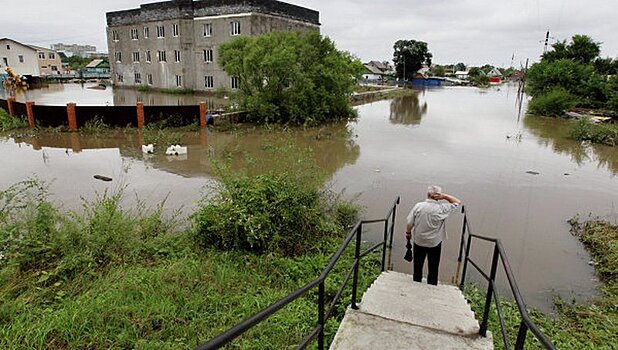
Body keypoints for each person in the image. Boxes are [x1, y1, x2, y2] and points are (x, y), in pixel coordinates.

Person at [405, 185, 461, 285]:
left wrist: (408, 233)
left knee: (417, 265)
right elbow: (457, 202)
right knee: (433, 266)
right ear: (438, 196)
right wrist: (444, 196)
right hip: (435, 243)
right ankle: (432, 285)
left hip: (419, 241)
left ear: (427, 194)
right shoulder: (442, 209)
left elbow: (410, 223)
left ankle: (416, 282)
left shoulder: (418, 206)